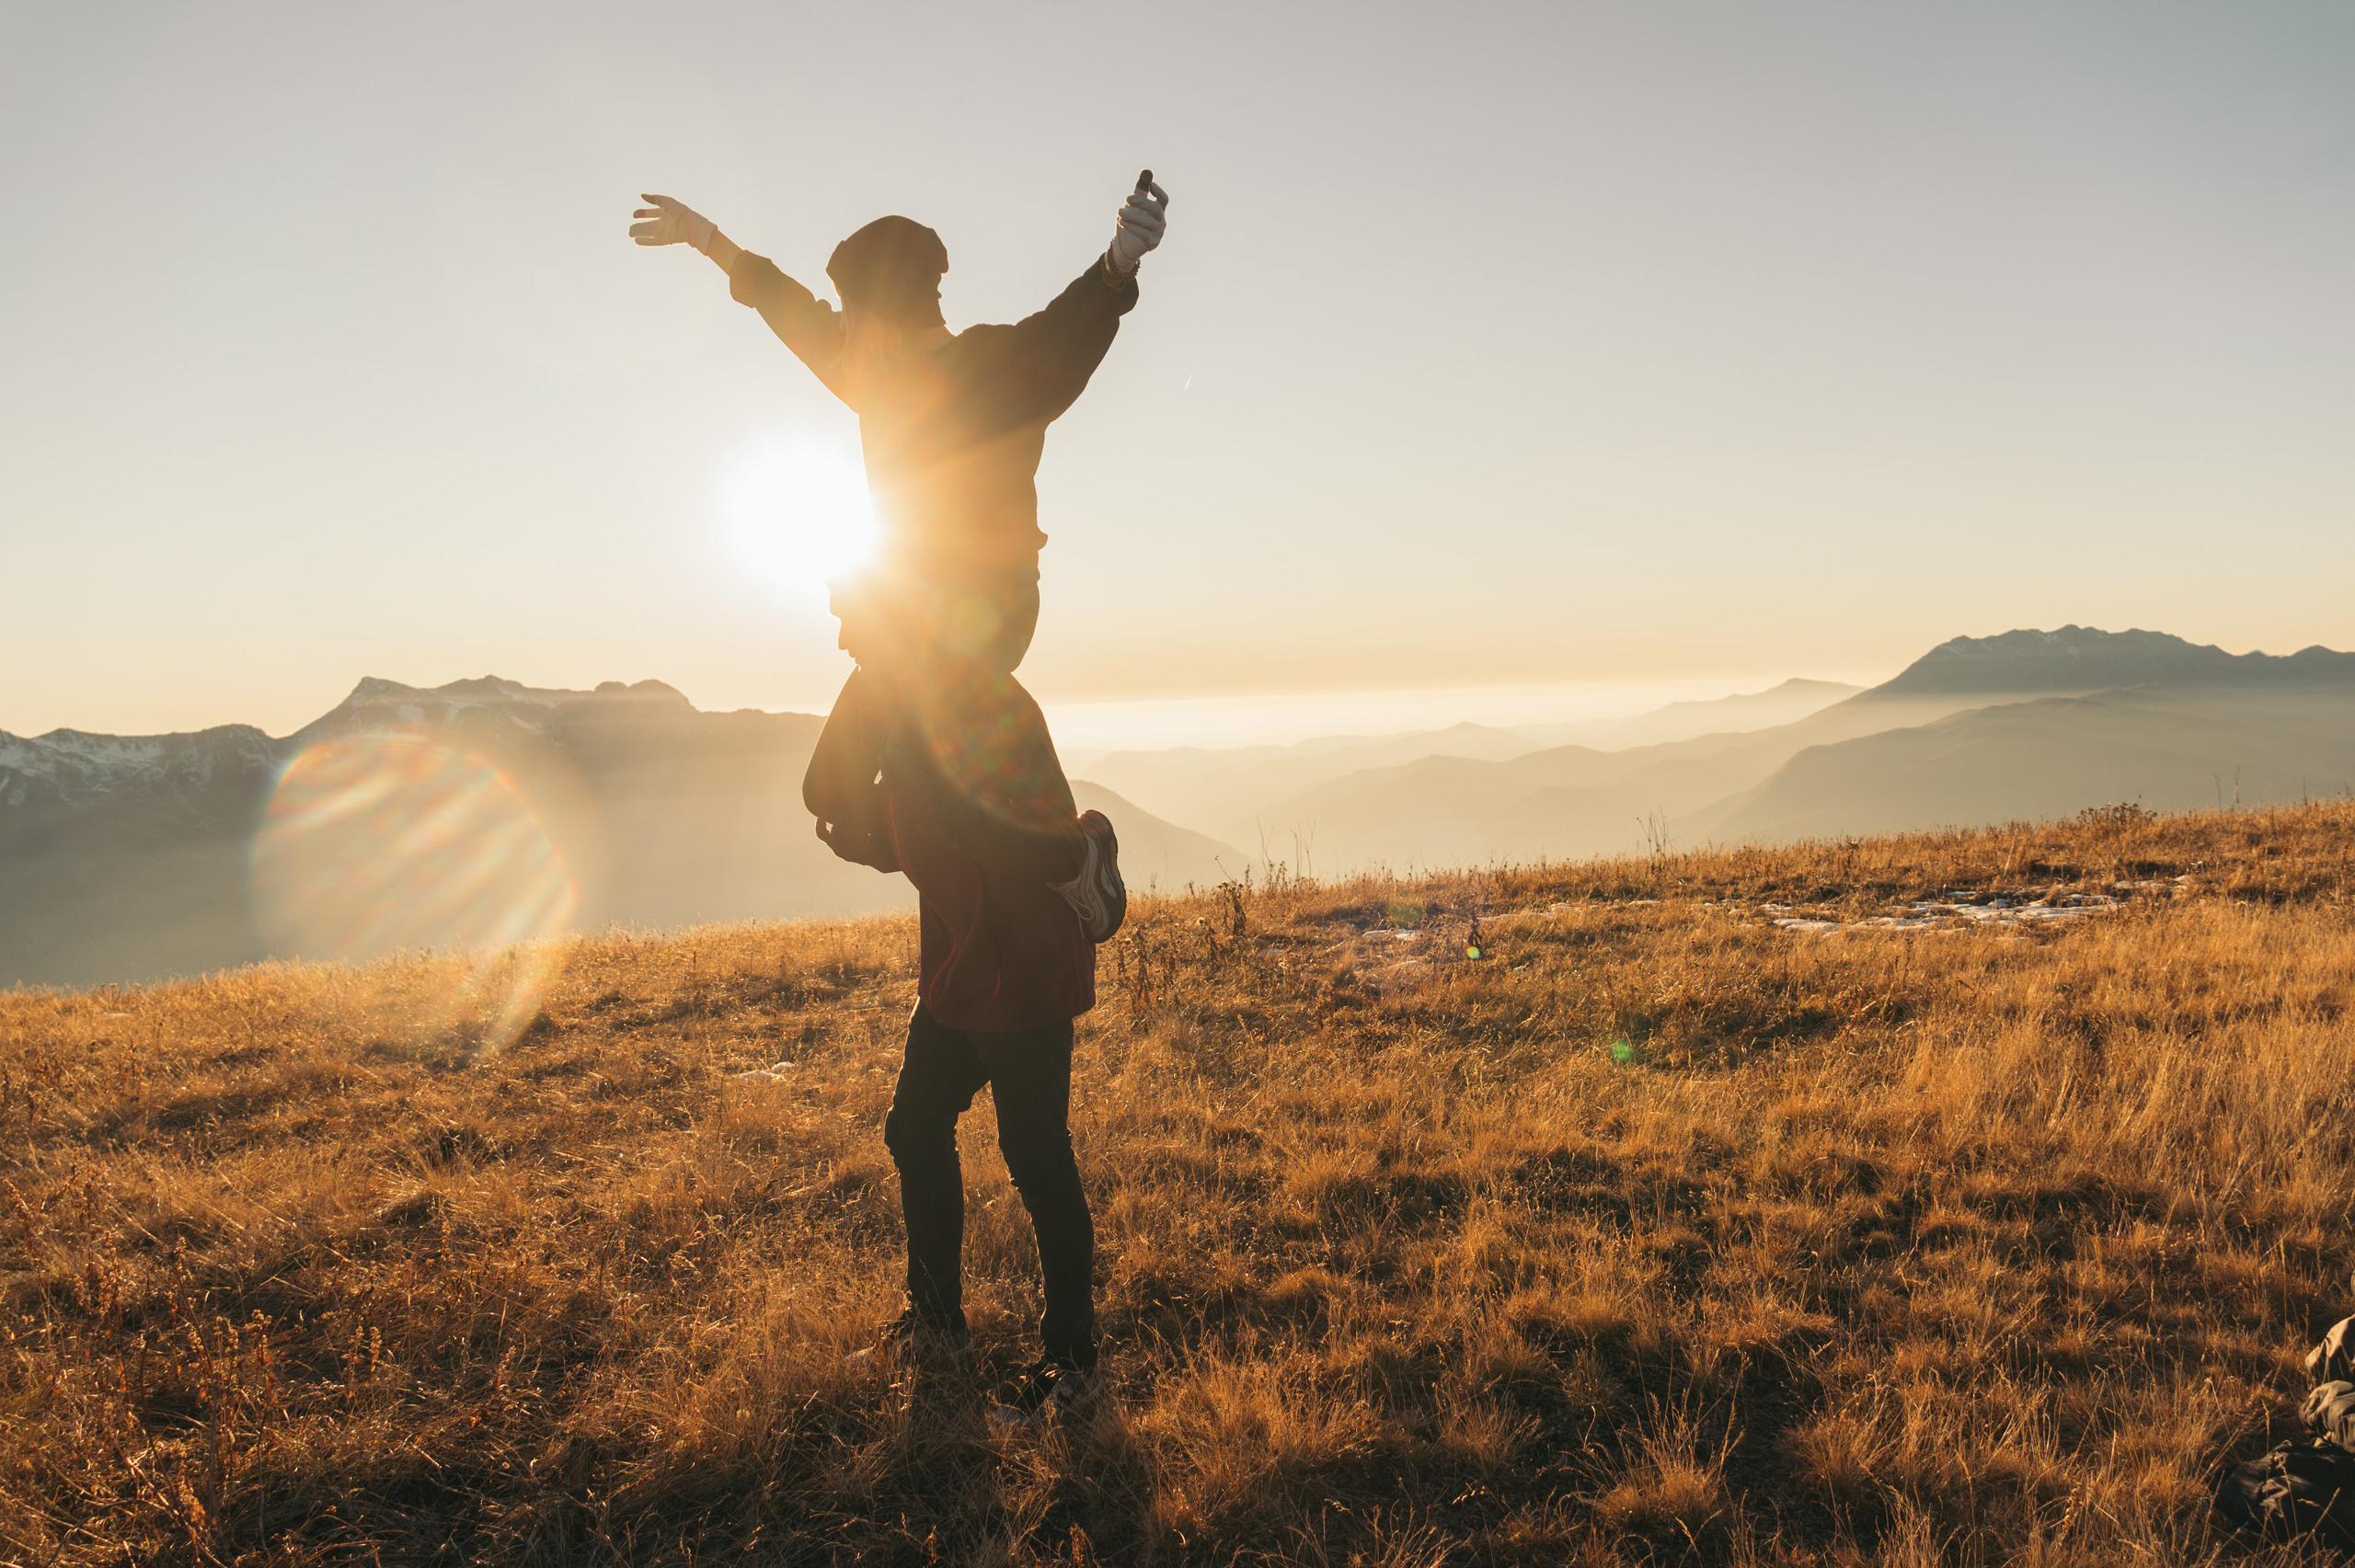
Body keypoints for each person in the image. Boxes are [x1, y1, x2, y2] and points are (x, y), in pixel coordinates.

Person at [629, 174, 1171, 1425]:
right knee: (835, 788)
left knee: (1034, 1148)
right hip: (907, 639)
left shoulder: (978, 369)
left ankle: (1062, 865)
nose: (843, 321)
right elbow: (783, 311)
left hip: (976, 621)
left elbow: (1064, 344)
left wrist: (1120, 260)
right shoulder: (871, 366)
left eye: (853, 300)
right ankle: (938, 1323)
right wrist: (712, 243)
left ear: (896, 298)